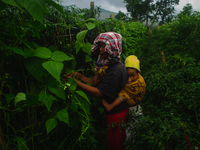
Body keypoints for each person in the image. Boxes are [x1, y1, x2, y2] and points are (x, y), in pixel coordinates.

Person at [64, 32, 129, 150]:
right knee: (114, 141)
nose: (99, 49)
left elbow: (98, 92)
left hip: (117, 114)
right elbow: (93, 82)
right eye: (100, 46)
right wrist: (77, 75)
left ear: (112, 47)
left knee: (116, 144)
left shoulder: (115, 71)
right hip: (112, 111)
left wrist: (75, 83)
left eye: (103, 46)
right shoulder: (107, 65)